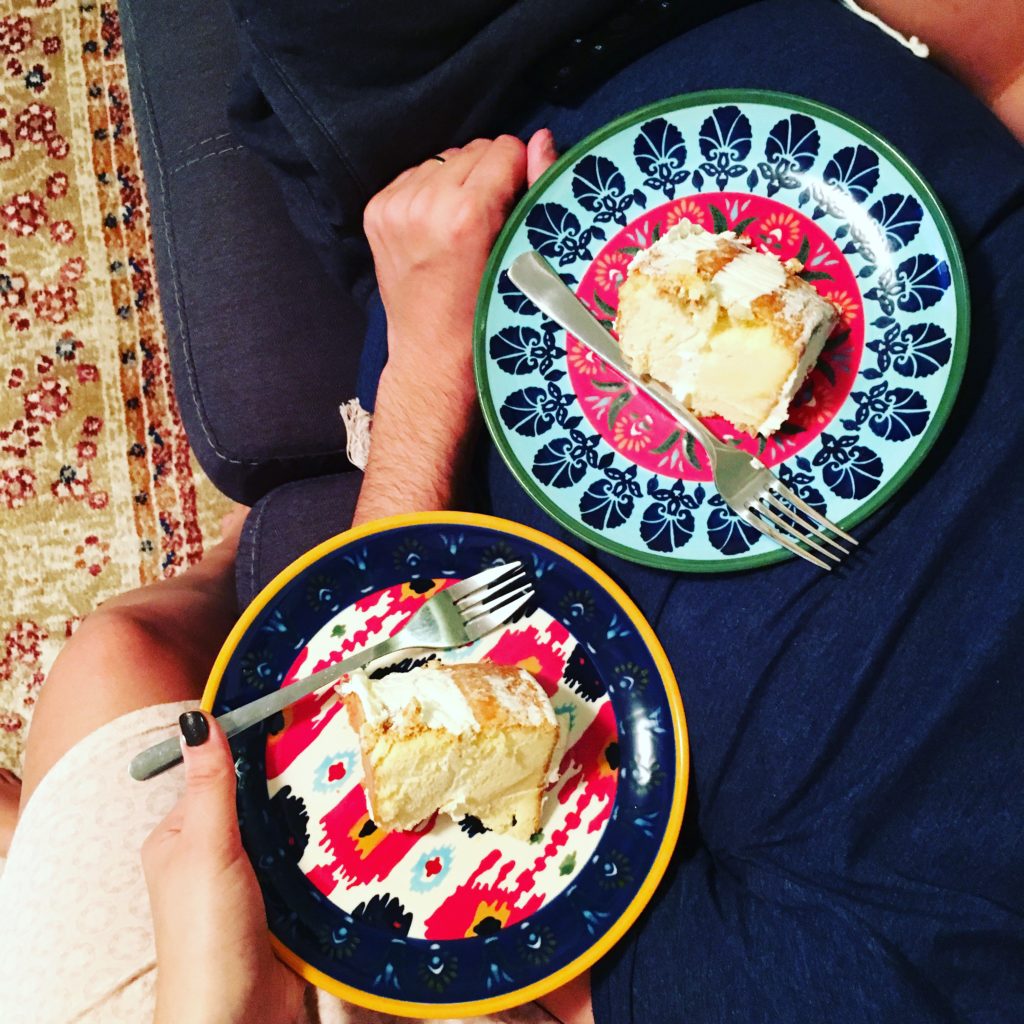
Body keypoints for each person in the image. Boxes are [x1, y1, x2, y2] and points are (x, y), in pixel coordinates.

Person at [2, 1, 1024, 1022]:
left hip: (480, 197)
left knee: (116, 649)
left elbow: (397, 826)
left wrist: (421, 372)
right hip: (837, 114)